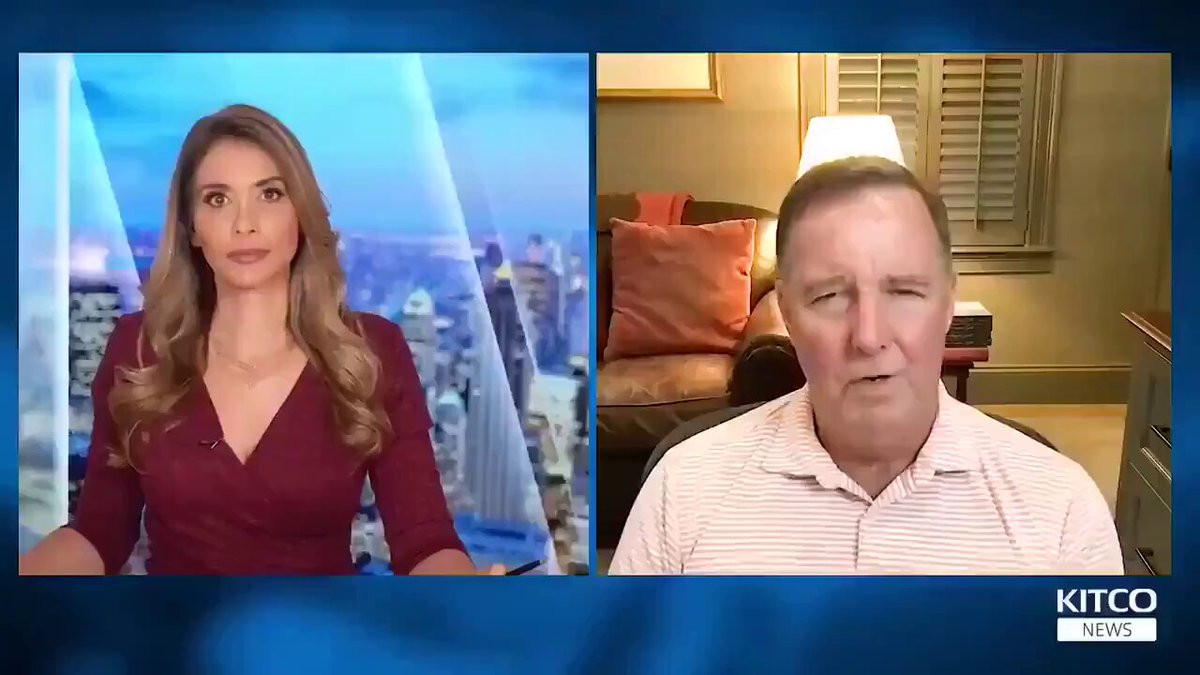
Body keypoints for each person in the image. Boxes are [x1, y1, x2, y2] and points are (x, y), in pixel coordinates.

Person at [20, 104, 501, 576]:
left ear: (301, 214)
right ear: (192, 228)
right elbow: (100, 532)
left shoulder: (371, 351)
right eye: (217, 199)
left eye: (270, 194)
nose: (244, 223)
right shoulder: (140, 349)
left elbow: (424, 542)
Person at [609, 156, 1123, 575]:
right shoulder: (682, 489)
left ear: (948, 304)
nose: (870, 336)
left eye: (905, 291)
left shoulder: (1063, 506)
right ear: (787, 313)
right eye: (830, 296)